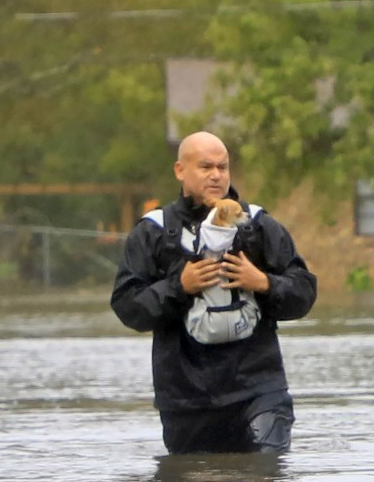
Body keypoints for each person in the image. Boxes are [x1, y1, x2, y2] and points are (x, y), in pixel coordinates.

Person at [110, 131, 317, 455]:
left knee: (266, 479)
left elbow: (304, 293)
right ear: (180, 171)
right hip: (185, 399)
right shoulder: (153, 232)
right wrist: (179, 286)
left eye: (223, 167)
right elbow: (127, 308)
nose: (216, 175)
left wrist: (263, 282)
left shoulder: (258, 225)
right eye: (206, 167)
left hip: (258, 390)